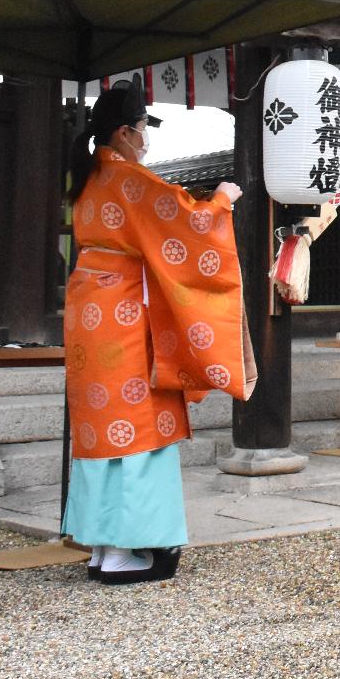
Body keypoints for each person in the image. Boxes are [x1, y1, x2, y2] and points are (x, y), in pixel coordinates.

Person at [63, 83, 254, 584]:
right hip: (122, 313)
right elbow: (184, 220)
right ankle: (127, 550)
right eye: (144, 129)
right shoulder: (127, 178)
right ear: (125, 133)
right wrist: (221, 201)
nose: (147, 139)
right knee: (138, 423)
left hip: (88, 309)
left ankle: (102, 546)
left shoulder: (86, 178)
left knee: (100, 430)